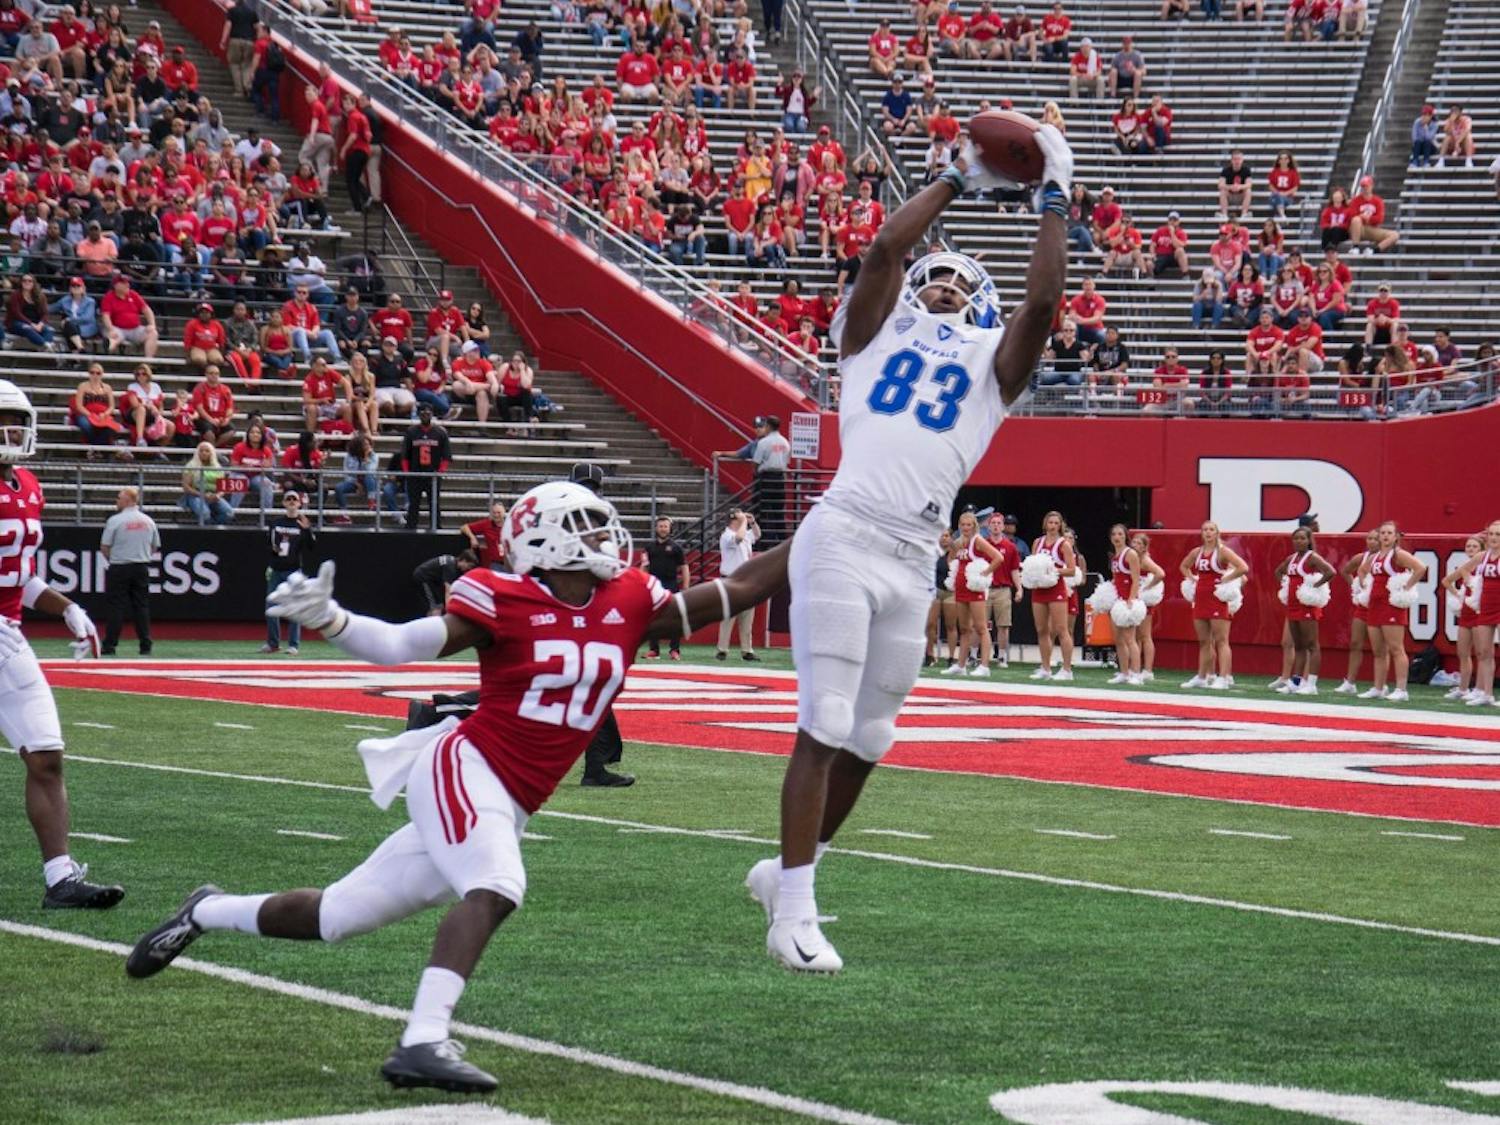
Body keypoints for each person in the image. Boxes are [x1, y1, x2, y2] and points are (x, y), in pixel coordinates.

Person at [127, 481, 792, 1094]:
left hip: (511, 795)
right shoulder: (500, 596)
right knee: (497, 883)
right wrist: (333, 620)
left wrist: (822, 535)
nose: (604, 539)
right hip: (466, 766)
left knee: (336, 916)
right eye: (586, 528)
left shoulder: (630, 601)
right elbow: (398, 644)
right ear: (547, 539)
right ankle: (421, 1039)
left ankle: (205, 910)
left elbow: (742, 586)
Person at [744, 123, 1072, 973]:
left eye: (964, 287)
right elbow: (887, 245)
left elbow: (1042, 305)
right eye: (937, 281)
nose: (945, 294)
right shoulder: (868, 337)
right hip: (847, 533)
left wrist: (1055, 200)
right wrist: (959, 178)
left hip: (916, 552)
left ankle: (787, 871)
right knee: (823, 722)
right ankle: (794, 911)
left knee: (873, 735)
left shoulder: (995, 366)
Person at [0, 380, 122, 909]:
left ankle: (60, 879)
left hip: (7, 635)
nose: (9, 431)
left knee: (46, 756)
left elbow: (19, 577)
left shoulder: (28, 485)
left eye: (13, 420)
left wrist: (68, 608)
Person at [1355, 521, 1428, 701]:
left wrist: (1406, 588)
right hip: (1374, 604)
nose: (1385, 536)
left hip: (1392, 606)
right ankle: (1379, 687)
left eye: (1389, 533)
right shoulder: (1374, 557)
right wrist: (1365, 586)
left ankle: (1401, 689)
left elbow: (1420, 568)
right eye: (1383, 533)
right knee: (1378, 650)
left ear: (1396, 537)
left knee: (1396, 648)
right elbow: (1362, 571)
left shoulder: (1399, 555)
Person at [1179, 520, 1248, 690]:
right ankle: (1202, 677)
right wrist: (1192, 578)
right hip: (1201, 598)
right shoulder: (1197, 552)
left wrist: (1227, 578)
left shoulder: (1223, 552)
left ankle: (1223, 677)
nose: (1208, 533)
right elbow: (1183, 566)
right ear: (1201, 533)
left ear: (1217, 533)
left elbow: (1243, 567)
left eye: (1211, 530)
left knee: (1221, 640)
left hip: (1217, 599)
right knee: (1204, 641)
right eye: (1205, 530)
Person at [1271, 526, 1335, 695]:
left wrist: (1314, 587)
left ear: (1309, 540)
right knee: (1298, 645)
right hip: (1292, 606)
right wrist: (1285, 585)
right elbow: (1278, 572)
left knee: (1312, 645)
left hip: (1306, 606)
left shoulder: (1312, 558)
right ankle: (1296, 681)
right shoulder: (1291, 558)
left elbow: (1330, 572)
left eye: (1302, 538)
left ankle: (1311, 684)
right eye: (1296, 538)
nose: (1299, 541)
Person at [943, 510, 1005, 677]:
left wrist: (985, 573)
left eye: (969, 525)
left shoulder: (977, 540)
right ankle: (961, 665)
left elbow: (998, 557)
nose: (965, 528)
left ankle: (984, 666)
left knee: (981, 627)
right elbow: (951, 559)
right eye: (963, 525)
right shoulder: (958, 542)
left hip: (975, 589)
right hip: (961, 588)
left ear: (974, 526)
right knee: (964, 628)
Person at [99, 487, 159, 658]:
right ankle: (145, 644)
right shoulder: (148, 521)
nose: (116, 501)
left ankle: (110, 644)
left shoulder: (115, 521)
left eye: (119, 498)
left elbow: (104, 546)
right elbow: (154, 546)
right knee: (141, 606)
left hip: (119, 566)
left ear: (128, 500)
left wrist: (116, 557)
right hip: (141, 566)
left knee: (116, 606)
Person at [1444, 521, 1500, 706]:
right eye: (1491, 534)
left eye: (1498, 535)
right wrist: (1471, 585)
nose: (1493, 538)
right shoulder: (1482, 556)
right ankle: (1486, 693)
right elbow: (1464, 570)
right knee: (1484, 652)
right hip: (1485, 607)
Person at [717, 415, 791, 543]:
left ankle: (763, 542)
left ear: (768, 426)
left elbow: (755, 463)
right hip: (779, 479)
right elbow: (786, 461)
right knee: (778, 511)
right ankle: (781, 541)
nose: (758, 429)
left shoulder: (763, 443)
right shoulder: (785, 442)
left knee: (762, 511)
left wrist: (757, 473)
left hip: (765, 478)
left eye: (762, 426)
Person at [262, 492, 317, 656]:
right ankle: (273, 643)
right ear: (284, 503)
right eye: (289, 499)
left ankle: (294, 644)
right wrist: (272, 553)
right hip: (276, 568)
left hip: (293, 570)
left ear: (299, 504)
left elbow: (312, 547)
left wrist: (307, 530)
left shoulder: (302, 523)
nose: (292, 502)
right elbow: (269, 544)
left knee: (294, 609)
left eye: (294, 499)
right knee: (271, 607)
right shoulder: (276, 523)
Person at [1028, 510, 1077, 679]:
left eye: (1057, 523)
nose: (1053, 526)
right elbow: (1032, 564)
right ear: (1045, 524)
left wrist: (1052, 571)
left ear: (1060, 525)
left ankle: (1067, 669)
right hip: (1039, 589)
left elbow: (1071, 570)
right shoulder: (1037, 542)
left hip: (1056, 588)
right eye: (1050, 522)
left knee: (1062, 629)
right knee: (1042, 630)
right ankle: (1046, 668)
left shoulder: (1064, 544)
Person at [1334, 528, 1381, 694]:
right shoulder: (1362, 558)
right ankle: (1350, 682)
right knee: (1355, 643)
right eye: (1369, 538)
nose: (1372, 541)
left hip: (1381, 606)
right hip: (1363, 606)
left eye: (1376, 538)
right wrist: (1356, 587)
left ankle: (1380, 684)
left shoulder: (1389, 558)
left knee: (1380, 648)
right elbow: (1345, 571)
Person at [640, 516, 690, 659]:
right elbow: (644, 567)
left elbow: (684, 567)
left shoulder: (676, 548)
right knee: (653, 619)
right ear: (656, 528)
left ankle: (674, 650)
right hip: (654, 586)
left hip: (671, 585)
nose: (663, 529)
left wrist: (685, 586)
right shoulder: (648, 548)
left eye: (665, 526)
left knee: (674, 618)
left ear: (670, 529)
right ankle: (654, 650)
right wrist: (643, 585)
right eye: (660, 526)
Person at [1102, 524, 1143, 684]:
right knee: (1118, 639)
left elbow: (1135, 579)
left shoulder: (1130, 554)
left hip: (1127, 600)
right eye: (1114, 534)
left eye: (1120, 534)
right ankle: (1124, 672)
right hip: (1117, 601)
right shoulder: (1115, 556)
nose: (1116, 537)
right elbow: (1116, 579)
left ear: (1125, 536)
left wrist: (1130, 601)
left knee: (1130, 639)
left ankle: (1136, 673)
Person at [716, 509, 760, 660]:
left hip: (746, 579)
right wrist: (743, 522)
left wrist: (752, 522)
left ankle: (747, 650)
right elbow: (739, 538)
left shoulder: (743, 532)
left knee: (747, 617)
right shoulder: (727, 535)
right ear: (734, 520)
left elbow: (757, 535)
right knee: (729, 616)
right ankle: (722, 649)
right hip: (731, 579)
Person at [403, 404, 451, 531]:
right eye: (423, 413)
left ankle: (436, 528)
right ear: (418, 415)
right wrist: (408, 473)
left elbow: (446, 456)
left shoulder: (440, 433)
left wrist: (439, 472)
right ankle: (410, 529)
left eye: (428, 412)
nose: (425, 415)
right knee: (414, 504)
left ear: (432, 414)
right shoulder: (411, 432)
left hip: (433, 474)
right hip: (415, 474)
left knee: (434, 503)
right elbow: (404, 456)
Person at [983, 512, 1023, 666]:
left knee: (1003, 625)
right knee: (980, 625)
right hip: (985, 588)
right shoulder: (982, 544)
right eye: (993, 523)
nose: (996, 526)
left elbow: (1014, 570)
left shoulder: (1010, 547)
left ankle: (1002, 656)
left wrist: (1019, 588)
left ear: (1003, 526)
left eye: (999, 523)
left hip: (1003, 588)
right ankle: (974, 655)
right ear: (988, 525)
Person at [1130, 531, 1165, 682]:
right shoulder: (1132, 558)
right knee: (1135, 635)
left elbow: (1160, 573)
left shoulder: (1144, 560)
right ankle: (1134, 668)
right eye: (1134, 542)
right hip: (1134, 599)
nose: (1135, 545)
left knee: (1145, 635)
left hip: (1143, 601)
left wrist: (1147, 587)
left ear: (1144, 548)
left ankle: (1148, 670)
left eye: (1139, 543)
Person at [180, 442, 233, 526]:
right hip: (195, 495)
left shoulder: (217, 467)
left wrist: (218, 495)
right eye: (201, 451)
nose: (204, 453)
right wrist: (202, 495)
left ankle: (213, 527)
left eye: (207, 451)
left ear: (211, 453)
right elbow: (186, 487)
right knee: (205, 513)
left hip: (213, 495)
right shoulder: (191, 465)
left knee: (228, 513)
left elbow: (223, 486)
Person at [413, 551, 480, 616]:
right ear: (464, 560)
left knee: (439, 605)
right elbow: (448, 590)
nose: (469, 569)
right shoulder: (450, 567)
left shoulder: (453, 563)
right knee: (434, 606)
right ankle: (433, 623)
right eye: (470, 566)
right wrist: (450, 611)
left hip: (433, 581)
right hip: (423, 577)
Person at [461, 500, 508, 568]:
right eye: (494, 513)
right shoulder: (486, 524)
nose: (496, 515)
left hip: (510, 562)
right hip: (495, 563)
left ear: (504, 513)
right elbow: (464, 527)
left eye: (499, 512)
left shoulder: (510, 524)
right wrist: (472, 538)